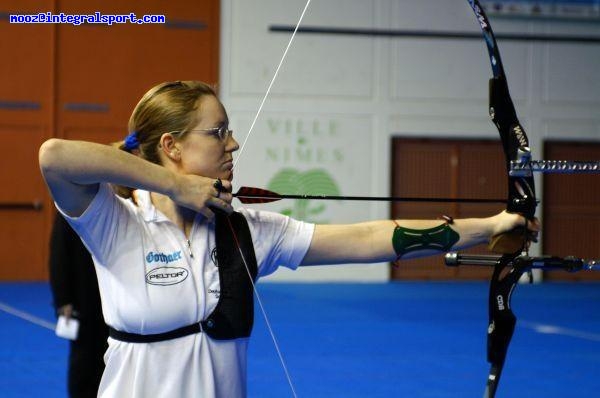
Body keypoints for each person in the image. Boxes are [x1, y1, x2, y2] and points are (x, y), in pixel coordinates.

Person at [38, 80, 539, 398]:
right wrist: (173, 185)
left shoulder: (247, 232)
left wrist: (490, 226)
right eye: (218, 132)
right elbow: (55, 156)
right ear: (170, 146)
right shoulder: (118, 222)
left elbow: (370, 238)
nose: (233, 143)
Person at [48, 212, 108, 397]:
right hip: (82, 300)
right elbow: (58, 255)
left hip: (109, 299)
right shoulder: (68, 209)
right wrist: (63, 299)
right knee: (84, 360)